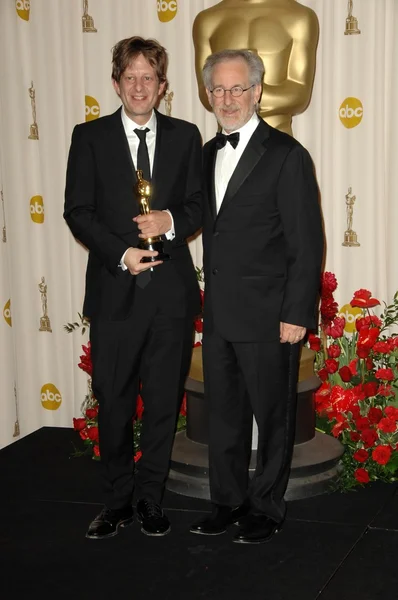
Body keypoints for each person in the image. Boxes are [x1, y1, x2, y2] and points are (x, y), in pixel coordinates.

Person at [64, 36, 202, 540]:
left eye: (149, 77)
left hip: (170, 298)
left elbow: (197, 205)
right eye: (131, 77)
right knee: (116, 402)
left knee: (164, 403)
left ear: (163, 86)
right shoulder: (90, 137)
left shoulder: (187, 137)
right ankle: (118, 500)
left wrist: (167, 221)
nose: (140, 86)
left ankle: (150, 500)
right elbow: (77, 210)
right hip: (114, 294)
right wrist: (121, 255)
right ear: (117, 83)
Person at [190, 49, 323, 544]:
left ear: (257, 92)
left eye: (237, 88)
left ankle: (266, 506)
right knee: (224, 415)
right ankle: (226, 501)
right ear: (209, 94)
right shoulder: (205, 153)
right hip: (221, 313)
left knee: (273, 417)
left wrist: (296, 313)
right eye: (218, 89)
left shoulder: (287, 155)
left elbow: (306, 243)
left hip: (271, 316)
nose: (227, 98)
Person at [193, 0, 319, 136]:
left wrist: (238, 92)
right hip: (225, 142)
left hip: (277, 142)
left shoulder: (300, 17)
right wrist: (242, 92)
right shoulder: (207, 20)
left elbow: (299, 94)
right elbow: (205, 94)